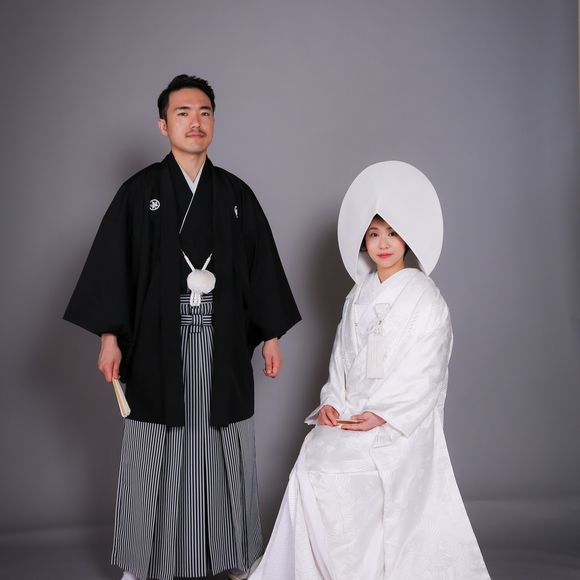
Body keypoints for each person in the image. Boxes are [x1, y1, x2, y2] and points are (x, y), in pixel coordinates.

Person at [64, 75, 301, 580]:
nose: (196, 122)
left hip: (222, 339)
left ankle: (232, 554)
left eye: (204, 112)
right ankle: (142, 562)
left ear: (214, 121)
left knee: (223, 444)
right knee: (155, 445)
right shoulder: (139, 193)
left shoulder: (235, 195)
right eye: (183, 113)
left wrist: (272, 335)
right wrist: (109, 337)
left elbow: (261, 268)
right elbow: (114, 269)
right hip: (157, 342)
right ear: (163, 124)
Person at [250, 161, 490, 579]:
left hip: (398, 423)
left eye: (393, 233)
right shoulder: (358, 294)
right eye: (374, 234)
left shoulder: (425, 298)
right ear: (364, 239)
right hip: (351, 414)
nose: (383, 244)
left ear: (407, 238)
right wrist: (332, 403)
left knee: (348, 472)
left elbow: (428, 370)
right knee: (313, 460)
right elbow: (340, 360)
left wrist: (383, 413)